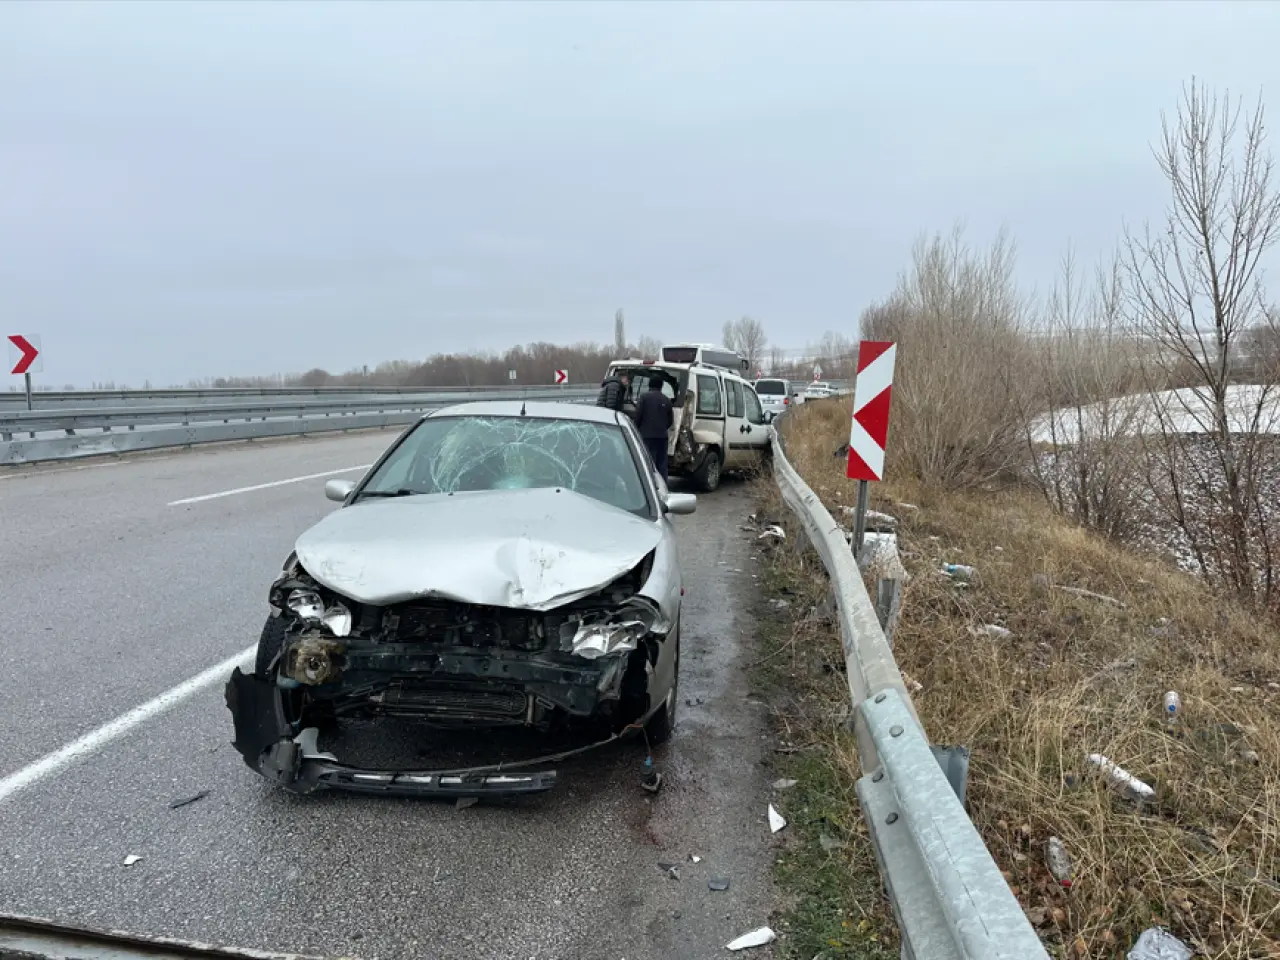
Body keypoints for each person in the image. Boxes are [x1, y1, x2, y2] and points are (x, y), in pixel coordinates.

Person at [632, 375, 674, 481]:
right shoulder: (666, 400)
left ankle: (650, 485)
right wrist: (662, 427)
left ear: (649, 385)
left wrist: (636, 430)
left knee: (648, 462)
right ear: (661, 386)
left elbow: (638, 416)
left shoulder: (644, 397)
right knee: (662, 464)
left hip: (646, 436)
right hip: (662, 437)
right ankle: (663, 486)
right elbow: (670, 421)